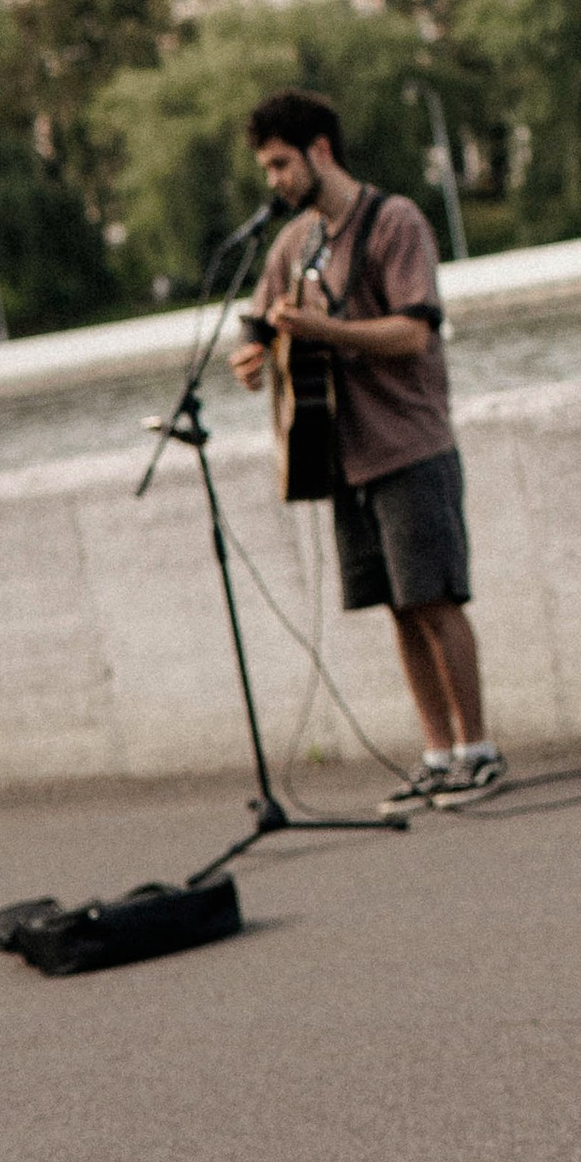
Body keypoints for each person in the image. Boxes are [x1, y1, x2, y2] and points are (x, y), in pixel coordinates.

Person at [225, 87, 502, 807]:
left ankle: (479, 748)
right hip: (342, 454)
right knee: (397, 609)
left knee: (436, 599)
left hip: (409, 443)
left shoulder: (393, 220)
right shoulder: (294, 242)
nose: (275, 181)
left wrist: (325, 333)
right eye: (267, 169)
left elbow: (415, 330)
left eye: (282, 163)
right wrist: (253, 357)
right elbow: (258, 322)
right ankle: (438, 754)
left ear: (321, 149)